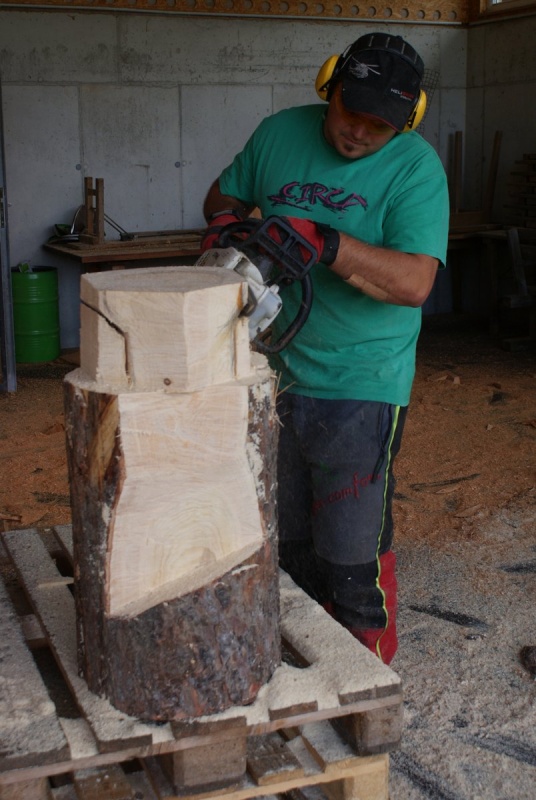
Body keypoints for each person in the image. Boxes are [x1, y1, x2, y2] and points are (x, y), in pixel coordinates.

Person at [201, 32, 449, 665]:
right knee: (284, 538)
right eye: (350, 111)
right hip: (272, 371)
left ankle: (366, 674)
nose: (358, 132)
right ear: (328, 86)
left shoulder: (416, 168)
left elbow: (416, 282)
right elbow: (223, 194)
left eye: (378, 125)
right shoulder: (279, 133)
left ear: (408, 120)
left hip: (362, 381)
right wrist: (228, 222)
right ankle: (301, 662)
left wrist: (328, 244)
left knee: (350, 549)